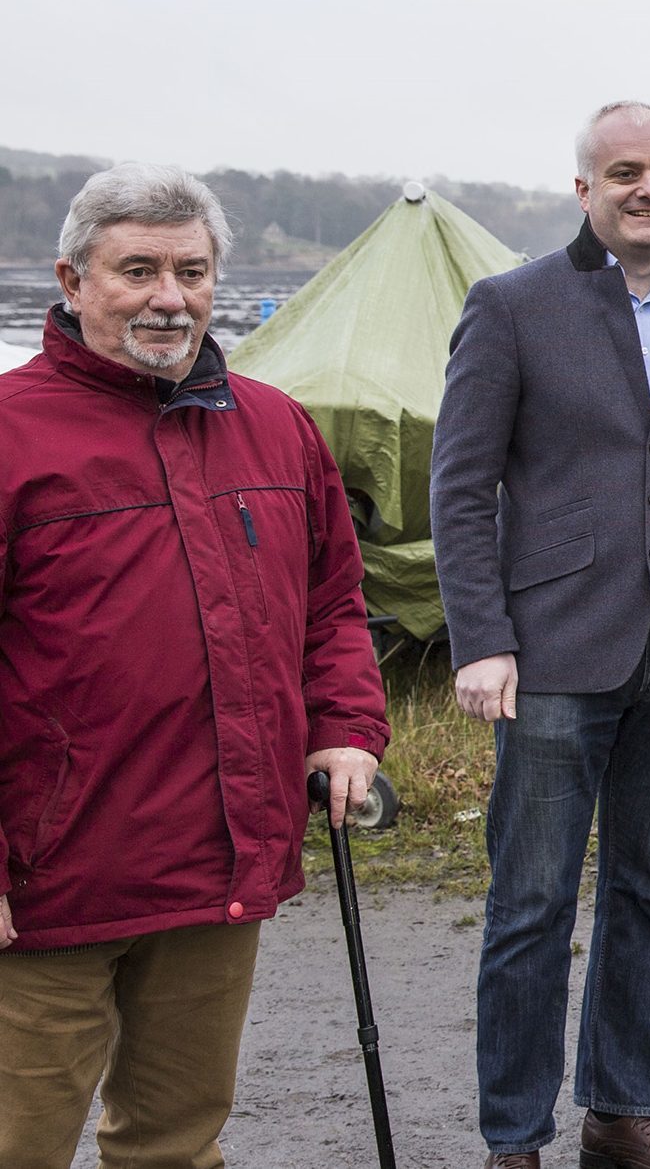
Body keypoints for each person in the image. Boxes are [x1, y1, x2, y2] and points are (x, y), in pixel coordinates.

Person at [0, 163, 390, 1167]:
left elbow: (333, 603)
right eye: (137, 270)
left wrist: (344, 729)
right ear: (73, 279)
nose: (169, 298)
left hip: (215, 867)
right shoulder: (12, 435)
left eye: (192, 270)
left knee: (174, 1145)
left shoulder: (274, 425)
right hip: (46, 884)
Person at [432, 101, 650, 1169]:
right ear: (584, 190)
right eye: (625, 170)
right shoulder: (511, 306)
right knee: (531, 906)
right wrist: (480, 637)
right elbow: (461, 487)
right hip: (550, 656)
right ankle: (513, 1136)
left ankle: (622, 1110)